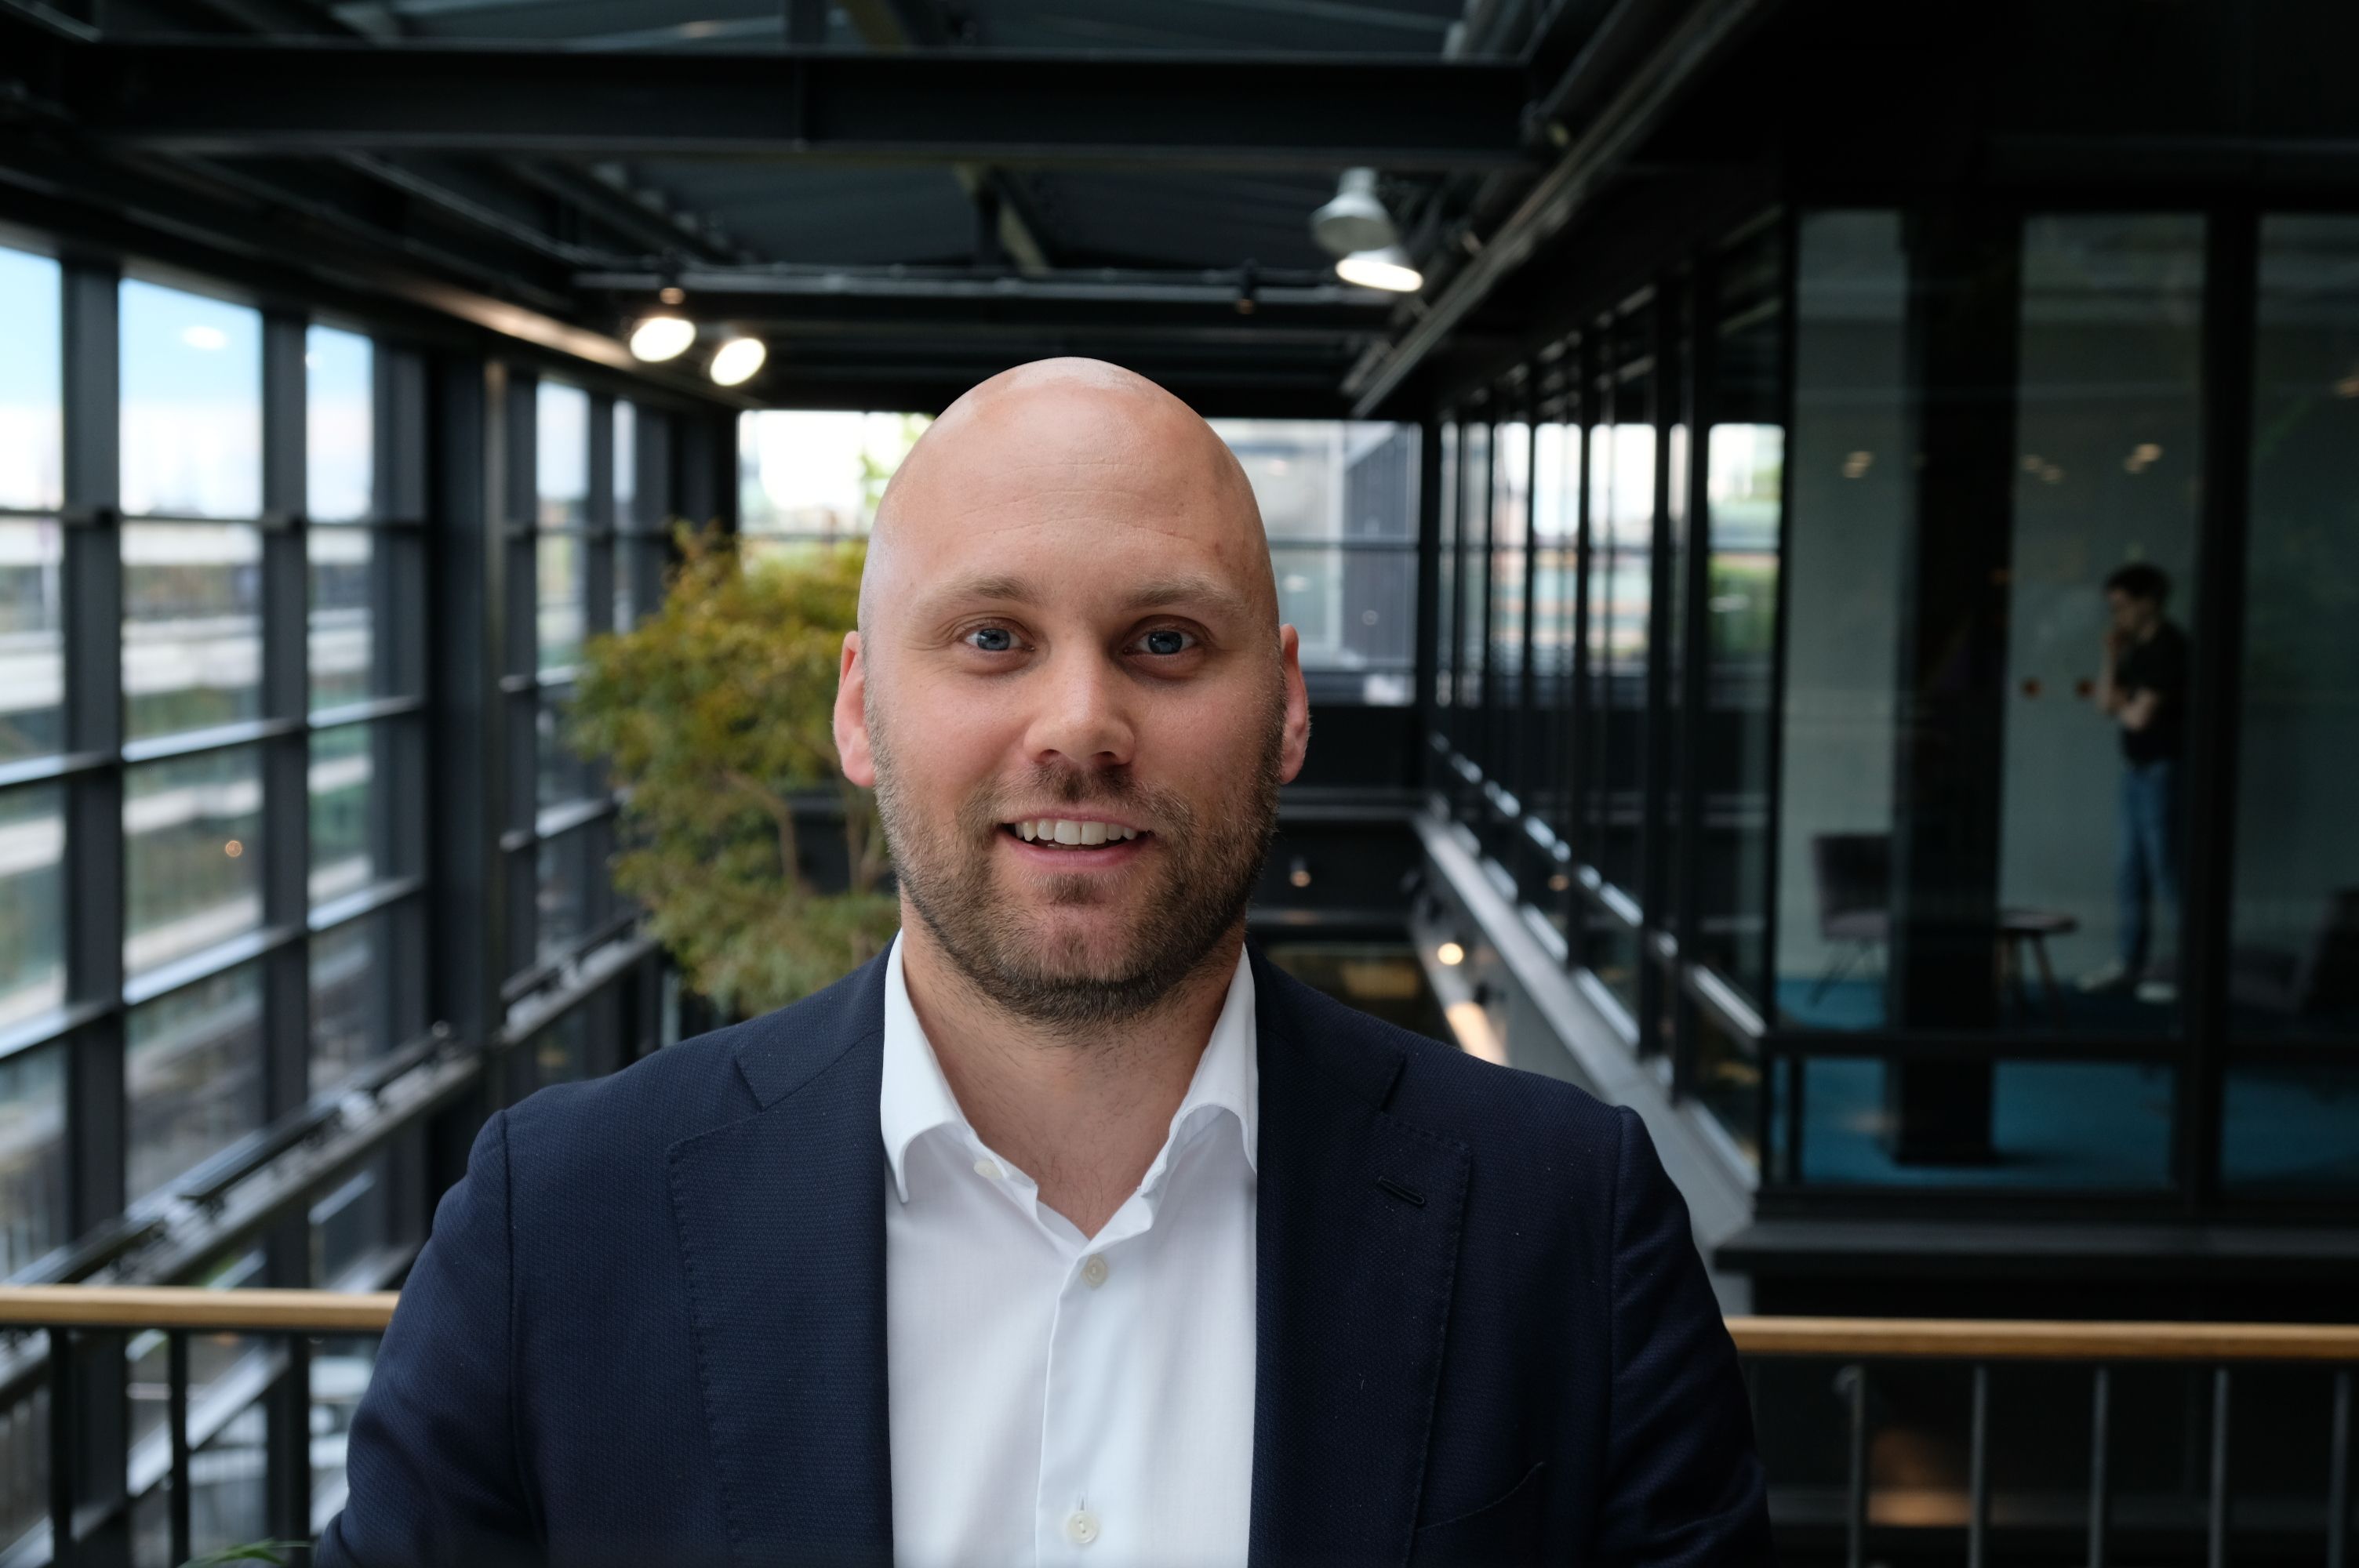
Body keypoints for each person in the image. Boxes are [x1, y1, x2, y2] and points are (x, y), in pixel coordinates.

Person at [318, 360, 1772, 1568]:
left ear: (1283, 710)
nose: (1078, 722)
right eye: (992, 636)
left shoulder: (1567, 1224)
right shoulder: (557, 1228)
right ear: (860, 708)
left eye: (1161, 639)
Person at [2080, 561, 2189, 1004]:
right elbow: (2107, 705)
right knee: (2130, 874)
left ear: (2149, 602)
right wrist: (2110, 656)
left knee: (2168, 873)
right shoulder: (2134, 650)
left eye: (2122, 606)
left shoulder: (2172, 648)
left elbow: (2140, 717)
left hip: (2165, 770)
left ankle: (2188, 971)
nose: (2116, 615)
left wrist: (2126, 703)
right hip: (2135, 770)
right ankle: (2130, 964)